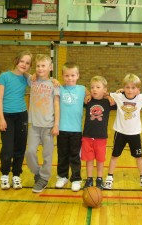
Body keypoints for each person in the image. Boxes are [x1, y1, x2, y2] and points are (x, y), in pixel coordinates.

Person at [104, 73, 142, 190]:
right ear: (123, 88)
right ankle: (109, 177)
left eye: (133, 88)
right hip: (120, 132)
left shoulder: (141, 98)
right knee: (114, 155)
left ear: (138, 90)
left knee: (138, 157)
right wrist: (109, 96)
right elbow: (104, 94)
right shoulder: (118, 96)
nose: (130, 90)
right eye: (127, 87)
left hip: (135, 133)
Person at [0, 50, 33, 190]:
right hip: (7, 116)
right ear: (16, 60)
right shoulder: (4, 76)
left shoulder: (25, 78)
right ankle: (5, 174)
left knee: (20, 147)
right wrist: (1, 118)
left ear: (30, 66)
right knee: (7, 148)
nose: (24, 64)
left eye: (28, 63)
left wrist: (53, 80)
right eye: (22, 61)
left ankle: (16, 175)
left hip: (22, 115)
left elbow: (39, 80)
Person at [25, 54, 60, 193]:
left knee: (47, 154)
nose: (40, 68)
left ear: (50, 67)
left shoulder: (54, 84)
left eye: (43, 66)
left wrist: (56, 124)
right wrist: (32, 73)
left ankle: (44, 179)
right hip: (34, 124)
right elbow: (22, 71)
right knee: (30, 152)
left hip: (49, 126)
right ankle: (38, 173)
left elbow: (57, 105)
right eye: (38, 66)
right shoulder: (32, 81)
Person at [56, 62, 90, 192]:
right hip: (62, 128)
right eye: (66, 75)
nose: (70, 78)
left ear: (78, 76)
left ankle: (76, 178)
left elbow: (92, 94)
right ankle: (62, 176)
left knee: (75, 155)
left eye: (72, 75)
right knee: (62, 154)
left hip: (76, 129)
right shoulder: (60, 88)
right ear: (63, 76)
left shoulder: (82, 89)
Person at [81, 76, 116, 190]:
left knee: (100, 160)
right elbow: (81, 90)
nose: (94, 89)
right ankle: (89, 178)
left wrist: (108, 95)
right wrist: (87, 94)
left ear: (104, 89)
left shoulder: (108, 102)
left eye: (98, 87)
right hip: (87, 136)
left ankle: (99, 178)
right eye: (92, 87)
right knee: (89, 159)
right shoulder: (88, 101)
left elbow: (121, 98)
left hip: (101, 137)